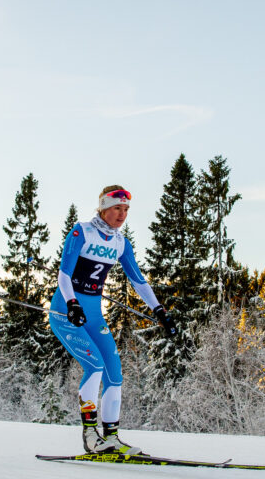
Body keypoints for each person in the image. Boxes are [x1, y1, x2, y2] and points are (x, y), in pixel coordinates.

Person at [49, 185, 176, 455]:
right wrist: (72, 302)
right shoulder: (82, 231)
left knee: (114, 373)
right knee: (94, 366)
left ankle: (112, 438)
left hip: (93, 313)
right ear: (104, 207)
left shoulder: (120, 243)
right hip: (66, 311)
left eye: (127, 209)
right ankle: (90, 436)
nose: (122, 214)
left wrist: (159, 310)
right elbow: (63, 275)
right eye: (117, 208)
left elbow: (138, 281)